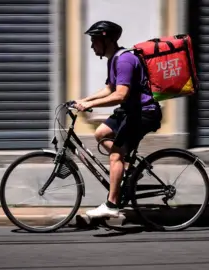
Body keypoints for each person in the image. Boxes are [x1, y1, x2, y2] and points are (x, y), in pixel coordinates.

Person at [73, 20, 162, 218]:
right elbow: (109, 89)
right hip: (130, 111)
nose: (92, 45)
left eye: (94, 40)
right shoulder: (113, 60)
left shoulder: (124, 60)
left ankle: (112, 205)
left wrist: (90, 106)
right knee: (101, 133)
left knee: (115, 155)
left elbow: (120, 95)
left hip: (143, 113)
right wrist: (84, 99)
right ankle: (126, 168)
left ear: (107, 40)